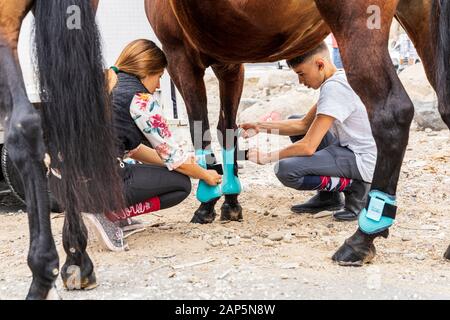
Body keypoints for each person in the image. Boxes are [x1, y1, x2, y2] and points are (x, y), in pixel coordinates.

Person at [84, 39, 222, 251]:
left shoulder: (108, 85)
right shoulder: (141, 99)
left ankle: (112, 213)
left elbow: (136, 149)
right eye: (159, 77)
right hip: (100, 181)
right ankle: (108, 213)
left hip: (71, 179)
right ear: (147, 72)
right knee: (180, 184)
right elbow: (175, 160)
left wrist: (180, 161)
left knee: (161, 169)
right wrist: (206, 175)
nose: (158, 85)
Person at [240, 41, 377, 222]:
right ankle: (328, 198)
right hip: (353, 150)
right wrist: (260, 126)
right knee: (294, 120)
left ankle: (356, 187)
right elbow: (303, 125)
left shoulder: (334, 88)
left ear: (320, 64)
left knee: (285, 169)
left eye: (302, 74)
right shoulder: (339, 78)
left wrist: (267, 156)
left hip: (363, 160)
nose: (301, 81)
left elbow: (308, 147)